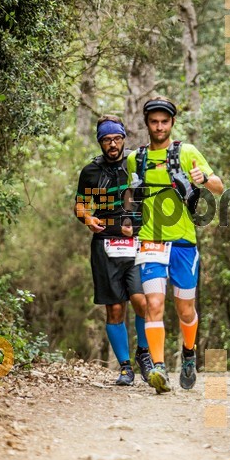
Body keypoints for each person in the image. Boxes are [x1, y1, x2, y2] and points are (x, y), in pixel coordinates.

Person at [126, 97, 224, 394]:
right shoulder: (136, 159)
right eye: (154, 122)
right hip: (151, 241)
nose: (159, 126)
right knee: (154, 304)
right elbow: (131, 196)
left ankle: (189, 354)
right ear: (147, 124)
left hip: (183, 242)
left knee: (185, 310)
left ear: (172, 123)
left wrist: (204, 178)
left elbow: (219, 187)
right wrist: (129, 219)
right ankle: (157, 368)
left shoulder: (187, 152)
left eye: (164, 122)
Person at [75, 115, 153, 385]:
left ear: (123, 139)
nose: (112, 144)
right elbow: (81, 205)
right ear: (100, 142)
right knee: (115, 309)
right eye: (107, 140)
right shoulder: (90, 172)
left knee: (142, 301)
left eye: (117, 138)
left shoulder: (137, 163)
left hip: (137, 242)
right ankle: (125, 367)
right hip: (105, 244)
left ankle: (145, 354)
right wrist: (88, 218)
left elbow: (154, 195)